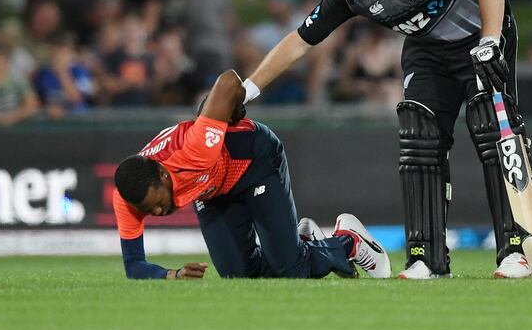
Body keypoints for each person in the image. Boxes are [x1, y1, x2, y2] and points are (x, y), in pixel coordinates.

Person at [239, 0, 532, 279]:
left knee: (493, 135)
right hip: (427, 51)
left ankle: (515, 250)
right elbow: (301, 40)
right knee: (419, 139)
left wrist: (490, 42)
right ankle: (426, 257)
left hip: (481, 38)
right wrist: (248, 88)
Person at [112, 68, 390, 280]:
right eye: (150, 210)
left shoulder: (194, 149)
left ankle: (347, 242)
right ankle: (304, 244)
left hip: (253, 161)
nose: (160, 211)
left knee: (290, 270)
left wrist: (234, 105)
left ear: (162, 174)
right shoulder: (128, 197)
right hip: (214, 190)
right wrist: (172, 275)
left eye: (158, 202)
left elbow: (228, 80)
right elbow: (133, 264)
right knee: (238, 276)